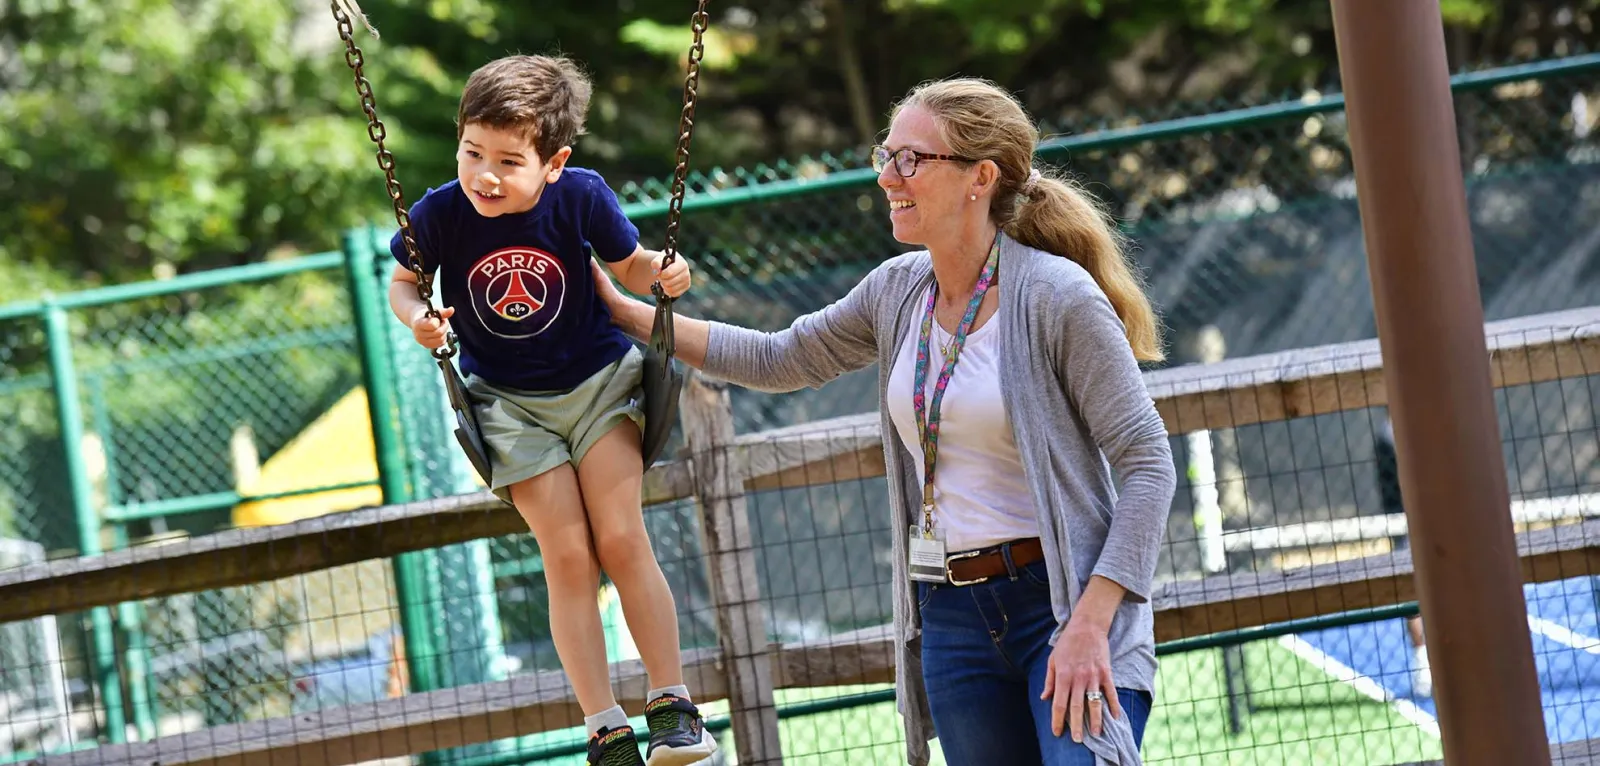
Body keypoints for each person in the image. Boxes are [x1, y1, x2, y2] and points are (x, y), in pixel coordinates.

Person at [595, 76, 1175, 765]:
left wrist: (1091, 621)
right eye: (886, 155)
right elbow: (783, 357)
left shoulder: (1057, 298)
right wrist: (627, 313)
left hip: (1061, 604)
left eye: (911, 160)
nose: (887, 177)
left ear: (979, 178)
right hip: (952, 615)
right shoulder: (897, 290)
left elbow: (1148, 464)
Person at [386, 54, 718, 766]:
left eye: (509, 161)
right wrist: (418, 318)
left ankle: (672, 703)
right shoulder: (440, 214)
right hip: (508, 406)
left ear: (555, 162)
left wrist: (663, 271)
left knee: (622, 539)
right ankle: (604, 724)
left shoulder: (582, 197)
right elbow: (403, 282)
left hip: (599, 384)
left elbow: (630, 265)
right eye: (472, 152)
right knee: (567, 555)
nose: (485, 174)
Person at [1373, 416, 1433, 697]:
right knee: (1412, 592)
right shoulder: (1389, 433)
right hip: (1403, 521)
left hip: (1432, 518)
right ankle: (1423, 664)